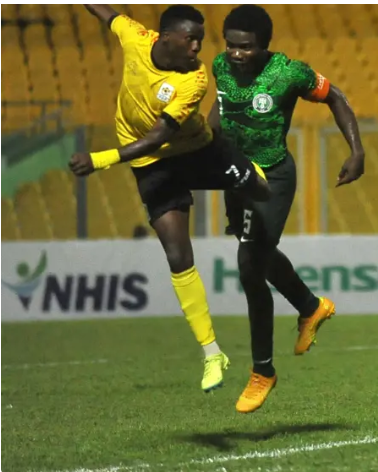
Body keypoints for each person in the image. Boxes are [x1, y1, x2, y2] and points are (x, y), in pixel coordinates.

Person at [71, 4, 270, 393]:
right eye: (191, 39)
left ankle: (255, 177)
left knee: (260, 189)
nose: (198, 48)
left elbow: (161, 134)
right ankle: (212, 353)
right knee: (178, 256)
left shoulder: (194, 80)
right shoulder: (135, 37)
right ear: (165, 38)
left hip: (199, 152)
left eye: (200, 39)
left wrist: (102, 159)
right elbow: (105, 13)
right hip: (152, 166)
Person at [209, 4, 366, 413]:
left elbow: (335, 96)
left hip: (272, 177)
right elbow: (220, 107)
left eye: (246, 47)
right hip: (235, 175)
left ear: (264, 46)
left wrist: (357, 150)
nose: (236, 54)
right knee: (259, 257)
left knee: (249, 264)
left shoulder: (289, 72)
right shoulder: (219, 66)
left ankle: (263, 370)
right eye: (230, 45)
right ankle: (311, 307)